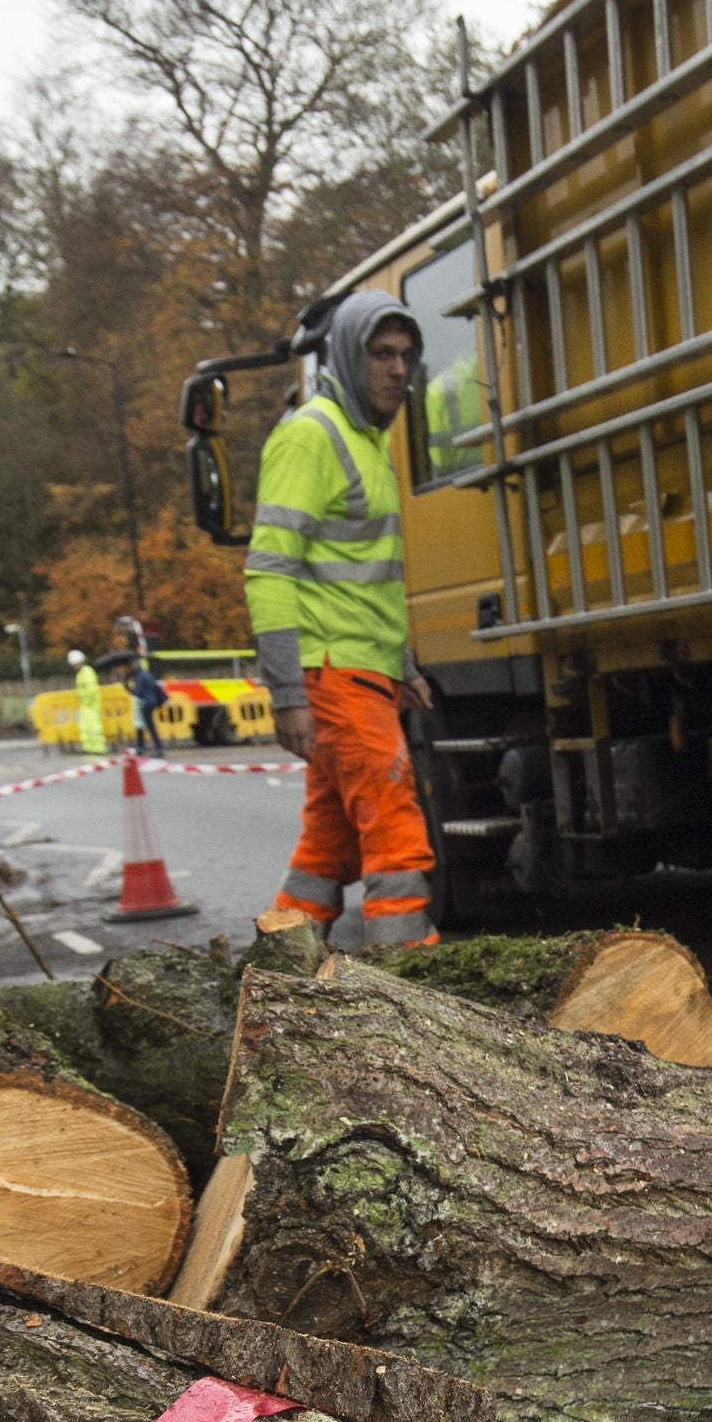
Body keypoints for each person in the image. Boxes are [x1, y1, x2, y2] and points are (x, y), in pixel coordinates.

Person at [252, 289, 437, 951]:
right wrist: (287, 694)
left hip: (361, 673)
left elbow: (369, 583)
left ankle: (281, 974)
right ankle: (415, 991)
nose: (398, 370)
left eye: (407, 356)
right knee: (395, 833)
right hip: (334, 675)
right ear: (346, 358)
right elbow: (269, 571)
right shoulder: (312, 437)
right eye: (382, 354)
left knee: (325, 848)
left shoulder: (367, 443)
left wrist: (404, 666)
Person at [128, 646, 167, 755]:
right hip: (152, 701)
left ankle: (154, 748)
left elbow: (139, 692)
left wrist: (130, 690)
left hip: (145, 703)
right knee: (145, 725)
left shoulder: (139, 677)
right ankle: (144, 747)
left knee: (145, 725)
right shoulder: (148, 674)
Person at [70, 648, 106, 756]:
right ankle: (90, 747)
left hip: (91, 704)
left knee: (93, 726)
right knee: (86, 726)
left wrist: (86, 699)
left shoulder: (87, 672)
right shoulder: (81, 673)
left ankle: (98, 748)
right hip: (86, 704)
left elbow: (91, 689)